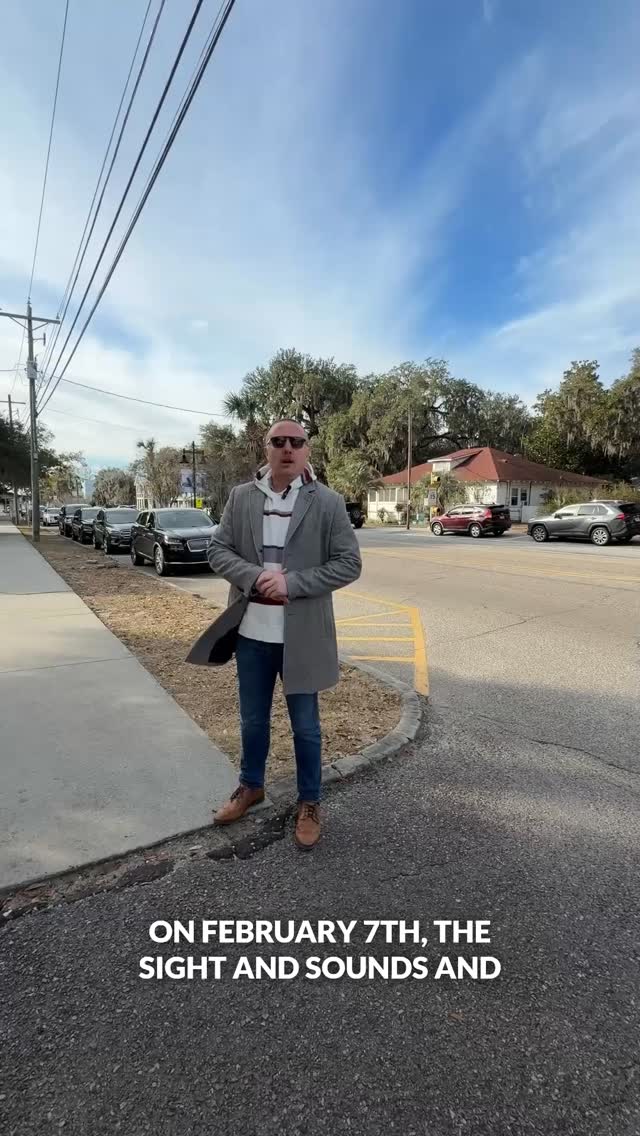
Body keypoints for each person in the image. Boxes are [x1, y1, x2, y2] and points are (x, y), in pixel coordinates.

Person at [207, 420, 362, 849]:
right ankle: (250, 785)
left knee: (307, 727)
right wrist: (256, 576)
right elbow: (217, 550)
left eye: (297, 442)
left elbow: (349, 564)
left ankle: (309, 802)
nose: (288, 448)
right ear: (267, 448)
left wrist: (293, 583)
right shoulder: (241, 498)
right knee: (252, 719)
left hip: (303, 636)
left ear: (308, 450)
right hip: (252, 633)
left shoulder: (327, 502)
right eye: (279, 442)